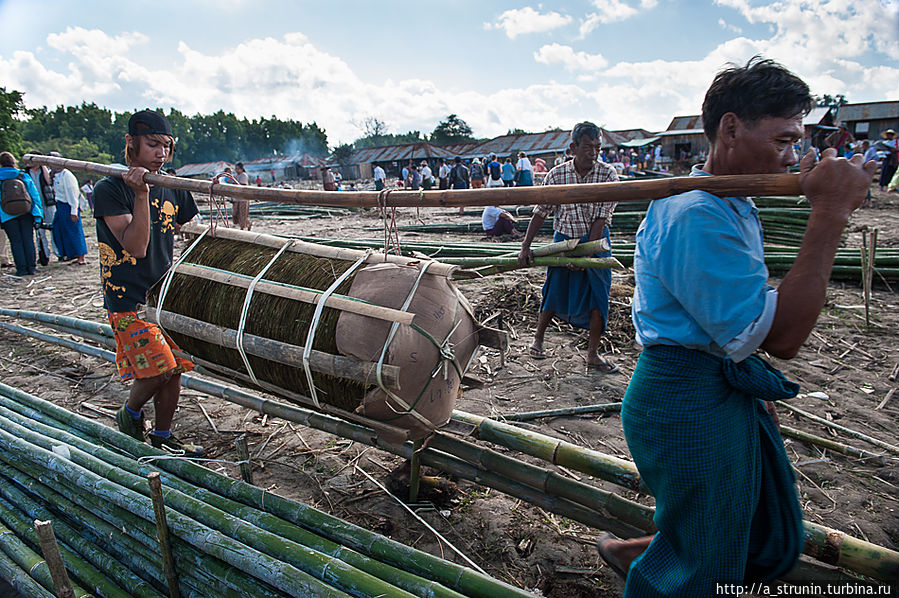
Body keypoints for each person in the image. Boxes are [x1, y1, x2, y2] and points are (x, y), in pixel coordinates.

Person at [596, 57, 876, 596]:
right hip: (684, 400)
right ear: (730, 129)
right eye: (783, 140)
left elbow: (748, 327)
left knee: (759, 529)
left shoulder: (729, 204)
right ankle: (654, 563)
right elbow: (785, 338)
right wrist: (830, 214)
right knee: (697, 572)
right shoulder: (695, 214)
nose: (792, 156)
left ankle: (646, 550)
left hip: (715, 381)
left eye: (797, 142)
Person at [93, 109, 203, 456]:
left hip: (162, 296)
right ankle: (129, 414)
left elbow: (193, 231)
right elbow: (136, 247)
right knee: (160, 369)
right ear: (131, 143)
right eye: (153, 144)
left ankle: (163, 435)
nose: (161, 153)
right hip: (127, 299)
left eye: (166, 146)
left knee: (176, 369)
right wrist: (140, 194)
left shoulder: (172, 188)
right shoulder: (109, 189)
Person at [517, 122, 619, 372]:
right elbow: (541, 213)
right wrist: (525, 246)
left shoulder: (608, 175)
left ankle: (592, 354)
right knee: (553, 291)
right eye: (587, 147)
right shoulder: (556, 175)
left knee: (599, 296)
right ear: (573, 147)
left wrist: (587, 255)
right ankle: (538, 339)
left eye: (597, 147)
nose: (593, 153)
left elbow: (601, 218)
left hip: (596, 241)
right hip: (563, 241)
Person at [0, 152, 42, 276]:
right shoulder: (23, 175)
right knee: (28, 240)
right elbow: (34, 195)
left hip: (7, 214)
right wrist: (37, 215)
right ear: (14, 162)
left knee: (15, 242)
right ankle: (32, 267)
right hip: (26, 211)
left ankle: (21, 268)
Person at [49, 151, 88, 265]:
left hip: (69, 206)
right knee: (60, 229)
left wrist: (73, 210)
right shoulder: (55, 175)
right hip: (60, 206)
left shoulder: (67, 175)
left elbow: (72, 194)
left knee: (74, 231)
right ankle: (71, 253)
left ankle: (81, 257)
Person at [26, 150, 58, 262]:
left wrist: (43, 166)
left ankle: (58, 252)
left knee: (53, 227)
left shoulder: (46, 171)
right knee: (39, 231)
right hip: (34, 205)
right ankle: (44, 254)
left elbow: (48, 182)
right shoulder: (25, 173)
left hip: (47, 202)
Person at [231, 162, 251, 230]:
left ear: (241, 169)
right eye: (235, 169)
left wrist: (235, 185)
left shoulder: (243, 175)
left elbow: (243, 185)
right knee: (235, 214)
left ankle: (243, 227)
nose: (236, 170)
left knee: (242, 214)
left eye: (237, 169)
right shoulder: (235, 176)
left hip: (243, 198)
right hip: (236, 198)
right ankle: (248, 223)